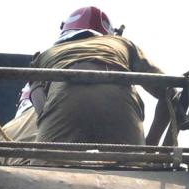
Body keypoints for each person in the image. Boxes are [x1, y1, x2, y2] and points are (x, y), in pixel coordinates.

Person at [29, 6, 166, 145]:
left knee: (47, 162)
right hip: (124, 124)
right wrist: (151, 146)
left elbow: (39, 103)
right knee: (133, 161)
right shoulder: (123, 44)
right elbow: (168, 91)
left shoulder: (46, 54)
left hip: (59, 127)